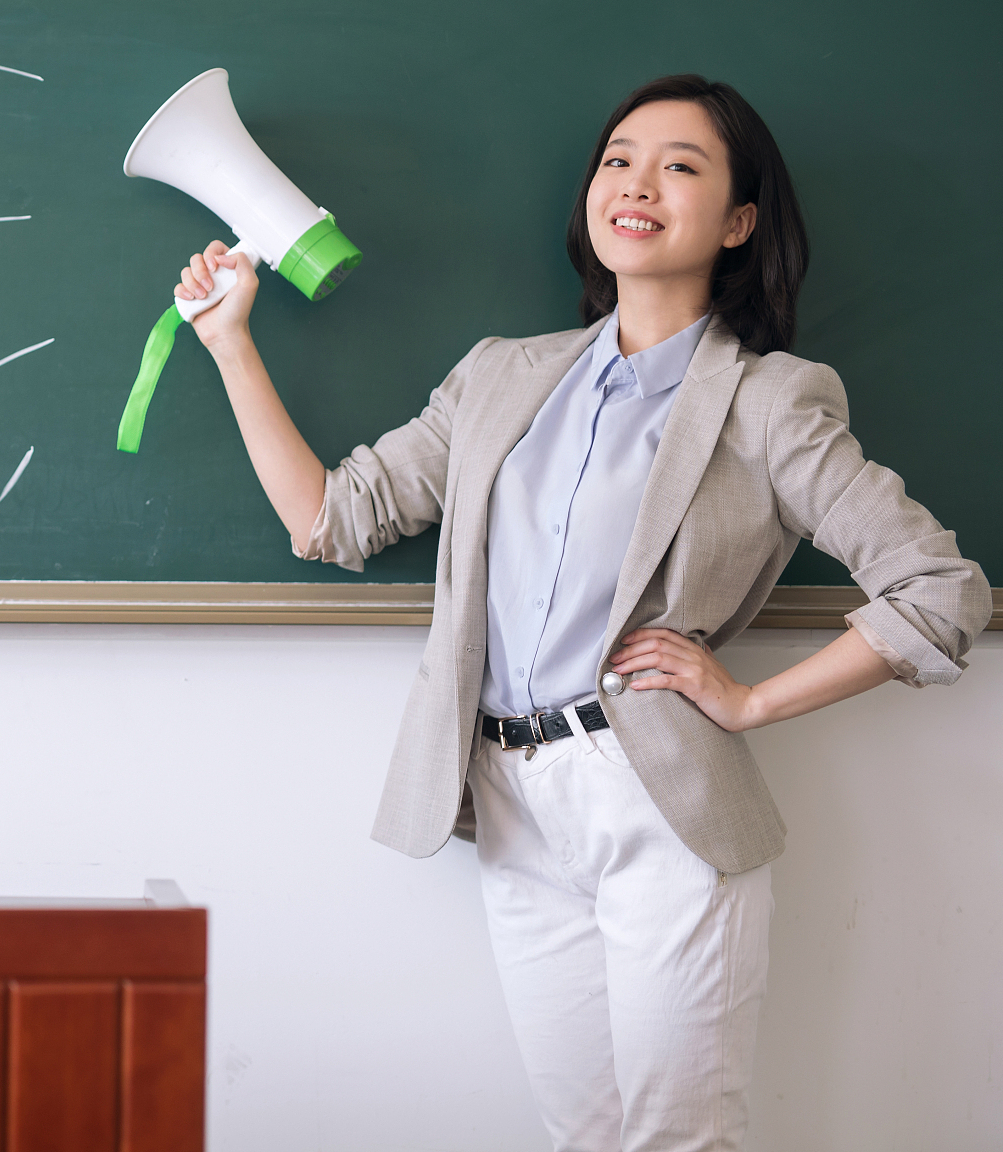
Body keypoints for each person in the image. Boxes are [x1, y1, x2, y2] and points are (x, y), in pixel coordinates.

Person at [175, 73, 991, 1152]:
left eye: (680, 166)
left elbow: (940, 590)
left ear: (738, 222)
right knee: (582, 1135)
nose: (636, 184)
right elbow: (331, 517)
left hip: (657, 798)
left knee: (677, 1139)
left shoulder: (767, 402)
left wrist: (750, 704)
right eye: (617, 160)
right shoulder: (497, 377)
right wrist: (230, 341)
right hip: (508, 794)